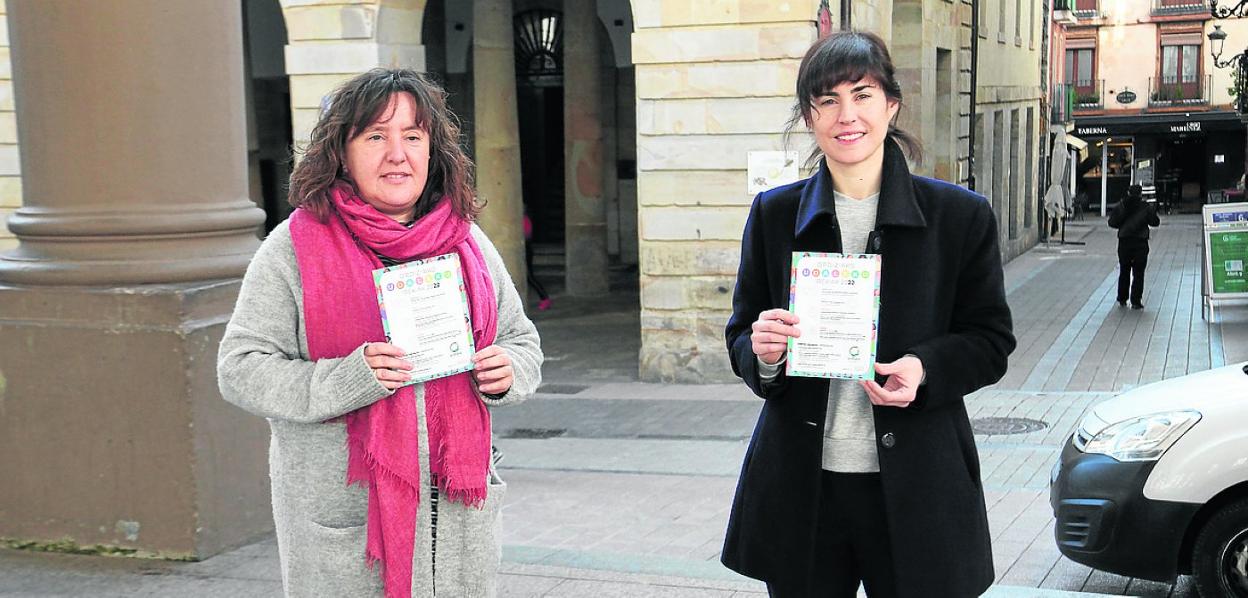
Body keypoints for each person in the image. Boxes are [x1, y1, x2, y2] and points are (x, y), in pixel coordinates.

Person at [217, 68, 543, 597]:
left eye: (413, 136)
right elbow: (240, 368)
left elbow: (521, 340)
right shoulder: (294, 248)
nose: (398, 154)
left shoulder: (466, 243)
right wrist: (347, 379)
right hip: (347, 528)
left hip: (455, 524)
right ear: (341, 152)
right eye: (376, 136)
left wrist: (510, 371)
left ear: (432, 150)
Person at [721, 31, 1015, 597]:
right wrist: (762, 354)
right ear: (809, 117)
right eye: (827, 100)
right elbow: (742, 331)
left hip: (918, 486)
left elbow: (990, 339)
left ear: (892, 105)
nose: (846, 115)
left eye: (862, 94)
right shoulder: (773, 215)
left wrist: (924, 370)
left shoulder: (959, 217)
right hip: (804, 489)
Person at [1108, 184, 1160, 309]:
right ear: (1141, 194)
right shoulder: (1146, 207)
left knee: (1124, 270)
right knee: (1139, 273)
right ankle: (1136, 300)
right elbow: (1155, 222)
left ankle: (1122, 298)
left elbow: (1112, 222)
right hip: (1140, 243)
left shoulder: (1121, 205)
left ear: (1128, 192)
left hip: (1124, 242)